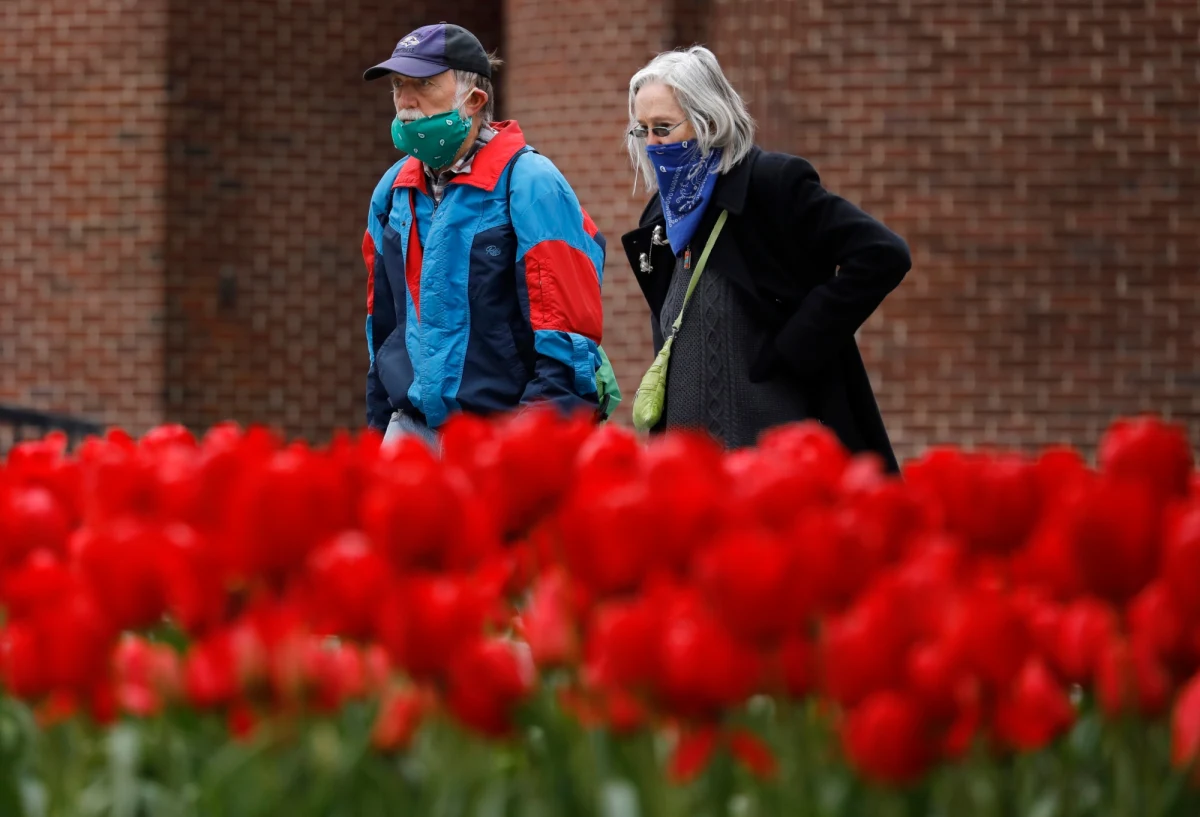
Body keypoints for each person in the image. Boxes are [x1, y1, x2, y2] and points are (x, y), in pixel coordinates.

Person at [621, 46, 911, 472]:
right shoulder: (661, 217)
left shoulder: (771, 185)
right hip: (687, 474)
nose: (652, 145)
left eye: (662, 128)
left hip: (773, 462)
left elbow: (882, 254)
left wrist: (793, 348)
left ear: (709, 120)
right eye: (641, 130)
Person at [361, 23, 611, 446]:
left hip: (503, 437)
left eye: (422, 84)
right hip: (410, 433)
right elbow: (382, 328)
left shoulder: (532, 185)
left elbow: (568, 342)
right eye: (399, 85)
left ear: (474, 100)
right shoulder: (392, 192)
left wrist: (528, 445)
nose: (404, 102)